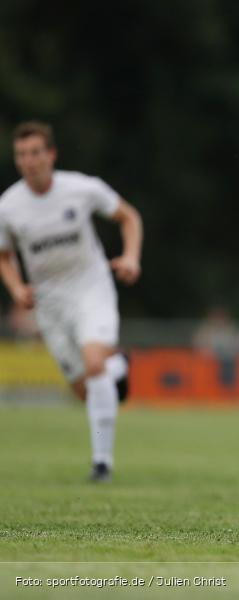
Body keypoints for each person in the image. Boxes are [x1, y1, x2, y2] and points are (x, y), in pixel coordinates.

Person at [0, 121, 143, 482]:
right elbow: (3, 255)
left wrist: (130, 257)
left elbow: (129, 216)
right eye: (21, 154)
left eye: (35, 152)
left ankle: (102, 463)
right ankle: (120, 367)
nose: (29, 161)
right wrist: (17, 288)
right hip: (50, 304)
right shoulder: (8, 207)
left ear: (51, 154)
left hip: (90, 288)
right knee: (85, 389)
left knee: (94, 364)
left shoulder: (82, 188)